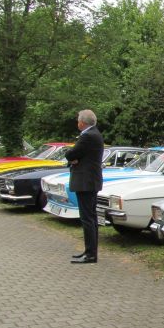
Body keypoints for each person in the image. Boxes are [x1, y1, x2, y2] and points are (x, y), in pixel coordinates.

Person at [66, 109, 104, 264]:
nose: (77, 122)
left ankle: (91, 254)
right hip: (90, 181)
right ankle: (89, 251)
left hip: (86, 182)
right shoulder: (94, 134)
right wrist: (74, 158)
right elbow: (75, 155)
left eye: (78, 120)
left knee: (87, 218)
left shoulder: (88, 136)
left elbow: (70, 154)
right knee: (91, 218)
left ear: (82, 122)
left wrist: (73, 158)